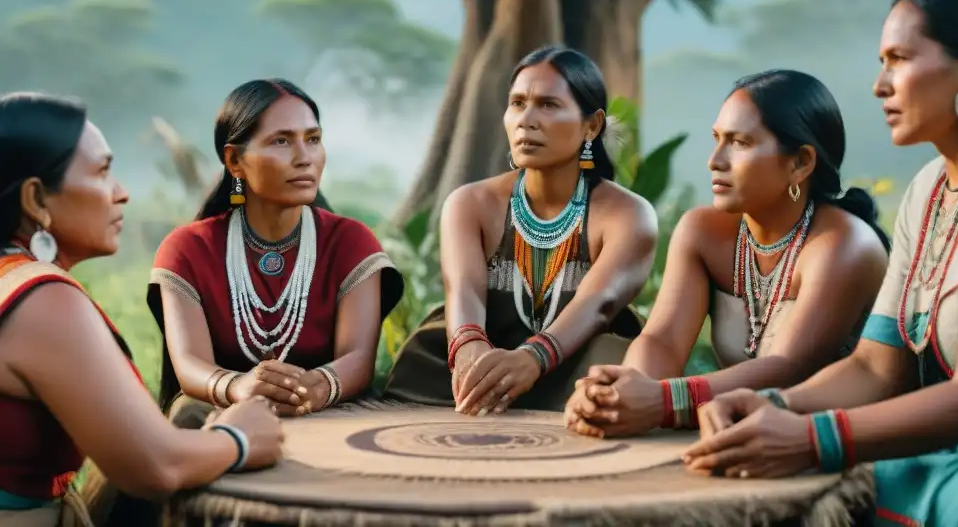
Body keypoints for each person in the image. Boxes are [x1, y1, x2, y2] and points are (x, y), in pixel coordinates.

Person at [684, 0, 958, 526]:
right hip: (942, 456)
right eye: (880, 62)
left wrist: (812, 437)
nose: (879, 84)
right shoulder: (929, 190)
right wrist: (773, 406)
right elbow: (873, 368)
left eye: (899, 59)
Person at [0, 92, 282, 524]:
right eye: (102, 172)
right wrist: (240, 437)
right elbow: (154, 467)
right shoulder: (42, 299)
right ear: (36, 199)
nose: (122, 193)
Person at [563, 69, 891, 438]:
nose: (715, 160)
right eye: (717, 139)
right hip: (737, 428)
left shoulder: (845, 246)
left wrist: (661, 400)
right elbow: (663, 341)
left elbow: (789, 368)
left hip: (835, 442)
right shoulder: (703, 232)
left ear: (800, 162)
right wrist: (621, 393)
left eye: (740, 143)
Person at [384, 46, 658, 414]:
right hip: (485, 361)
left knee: (613, 368)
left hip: (575, 366)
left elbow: (598, 304)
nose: (527, 119)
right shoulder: (469, 203)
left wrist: (535, 358)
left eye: (548, 105)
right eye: (517, 103)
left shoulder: (628, 215)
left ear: (591, 125)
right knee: (428, 357)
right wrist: (469, 347)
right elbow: (463, 288)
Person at [148, 79, 404, 426]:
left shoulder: (351, 242)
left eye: (313, 140)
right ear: (235, 160)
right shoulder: (187, 250)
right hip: (222, 415)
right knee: (189, 416)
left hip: (328, 414)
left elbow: (357, 358)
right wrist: (240, 387)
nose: (304, 158)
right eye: (281, 141)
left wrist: (317, 387)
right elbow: (190, 364)